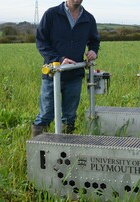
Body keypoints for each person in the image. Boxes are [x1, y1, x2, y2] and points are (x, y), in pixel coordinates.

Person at [31, 0, 100, 137]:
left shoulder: (88, 18)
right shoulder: (52, 14)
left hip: (74, 75)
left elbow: (94, 39)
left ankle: (65, 152)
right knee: (45, 115)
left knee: (69, 116)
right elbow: (41, 41)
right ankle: (38, 154)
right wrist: (59, 60)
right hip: (52, 74)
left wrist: (93, 50)